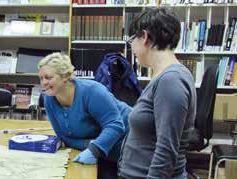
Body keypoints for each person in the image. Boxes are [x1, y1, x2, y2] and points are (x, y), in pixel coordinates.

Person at [118, 8, 196, 179]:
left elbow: (166, 151)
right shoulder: (162, 75)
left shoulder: (171, 80)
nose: (132, 48)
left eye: (132, 40)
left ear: (145, 37)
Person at [37, 52, 131, 179]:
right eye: (41, 78)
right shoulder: (49, 99)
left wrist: (94, 148)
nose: (43, 83)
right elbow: (63, 137)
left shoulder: (92, 91)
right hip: (100, 152)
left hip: (130, 143)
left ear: (66, 76)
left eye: (48, 77)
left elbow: (115, 126)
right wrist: (89, 145)